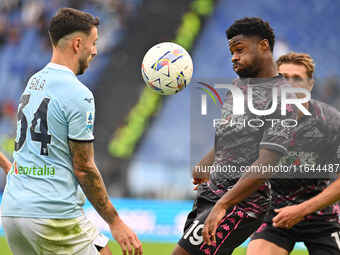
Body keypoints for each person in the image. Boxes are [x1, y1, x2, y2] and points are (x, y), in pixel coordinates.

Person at [1, 8, 142, 255]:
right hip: (51, 213)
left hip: (13, 212)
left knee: (100, 249)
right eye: (94, 43)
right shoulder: (78, 94)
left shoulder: (34, 82)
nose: (95, 51)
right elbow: (84, 168)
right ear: (78, 44)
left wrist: (8, 165)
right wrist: (115, 222)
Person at [172, 17, 298, 255]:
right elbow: (230, 134)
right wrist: (207, 162)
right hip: (212, 192)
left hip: (241, 203)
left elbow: (268, 162)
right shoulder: (237, 86)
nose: (233, 57)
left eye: (239, 50)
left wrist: (224, 204)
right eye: (231, 52)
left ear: (263, 46)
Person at [248, 52, 340, 255]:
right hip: (275, 214)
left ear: (310, 85)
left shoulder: (331, 121)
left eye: (297, 79)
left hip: (322, 214)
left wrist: (302, 210)